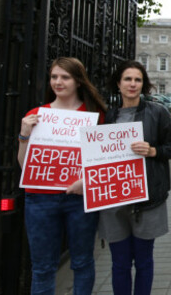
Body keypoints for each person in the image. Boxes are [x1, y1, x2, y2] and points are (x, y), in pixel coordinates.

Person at [17, 57, 107, 295]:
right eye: (54, 77)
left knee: (82, 262)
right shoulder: (37, 114)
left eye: (65, 77)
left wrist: (87, 182)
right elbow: (24, 165)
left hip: (79, 199)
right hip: (39, 199)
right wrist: (24, 135)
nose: (58, 82)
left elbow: (104, 161)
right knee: (43, 267)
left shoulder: (95, 116)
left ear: (78, 81)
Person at [98, 60, 171, 295]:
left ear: (143, 84)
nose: (132, 84)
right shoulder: (107, 116)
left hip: (148, 198)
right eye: (127, 79)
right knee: (120, 264)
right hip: (115, 200)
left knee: (143, 262)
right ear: (118, 83)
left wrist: (153, 151)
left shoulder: (158, 112)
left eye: (138, 80)